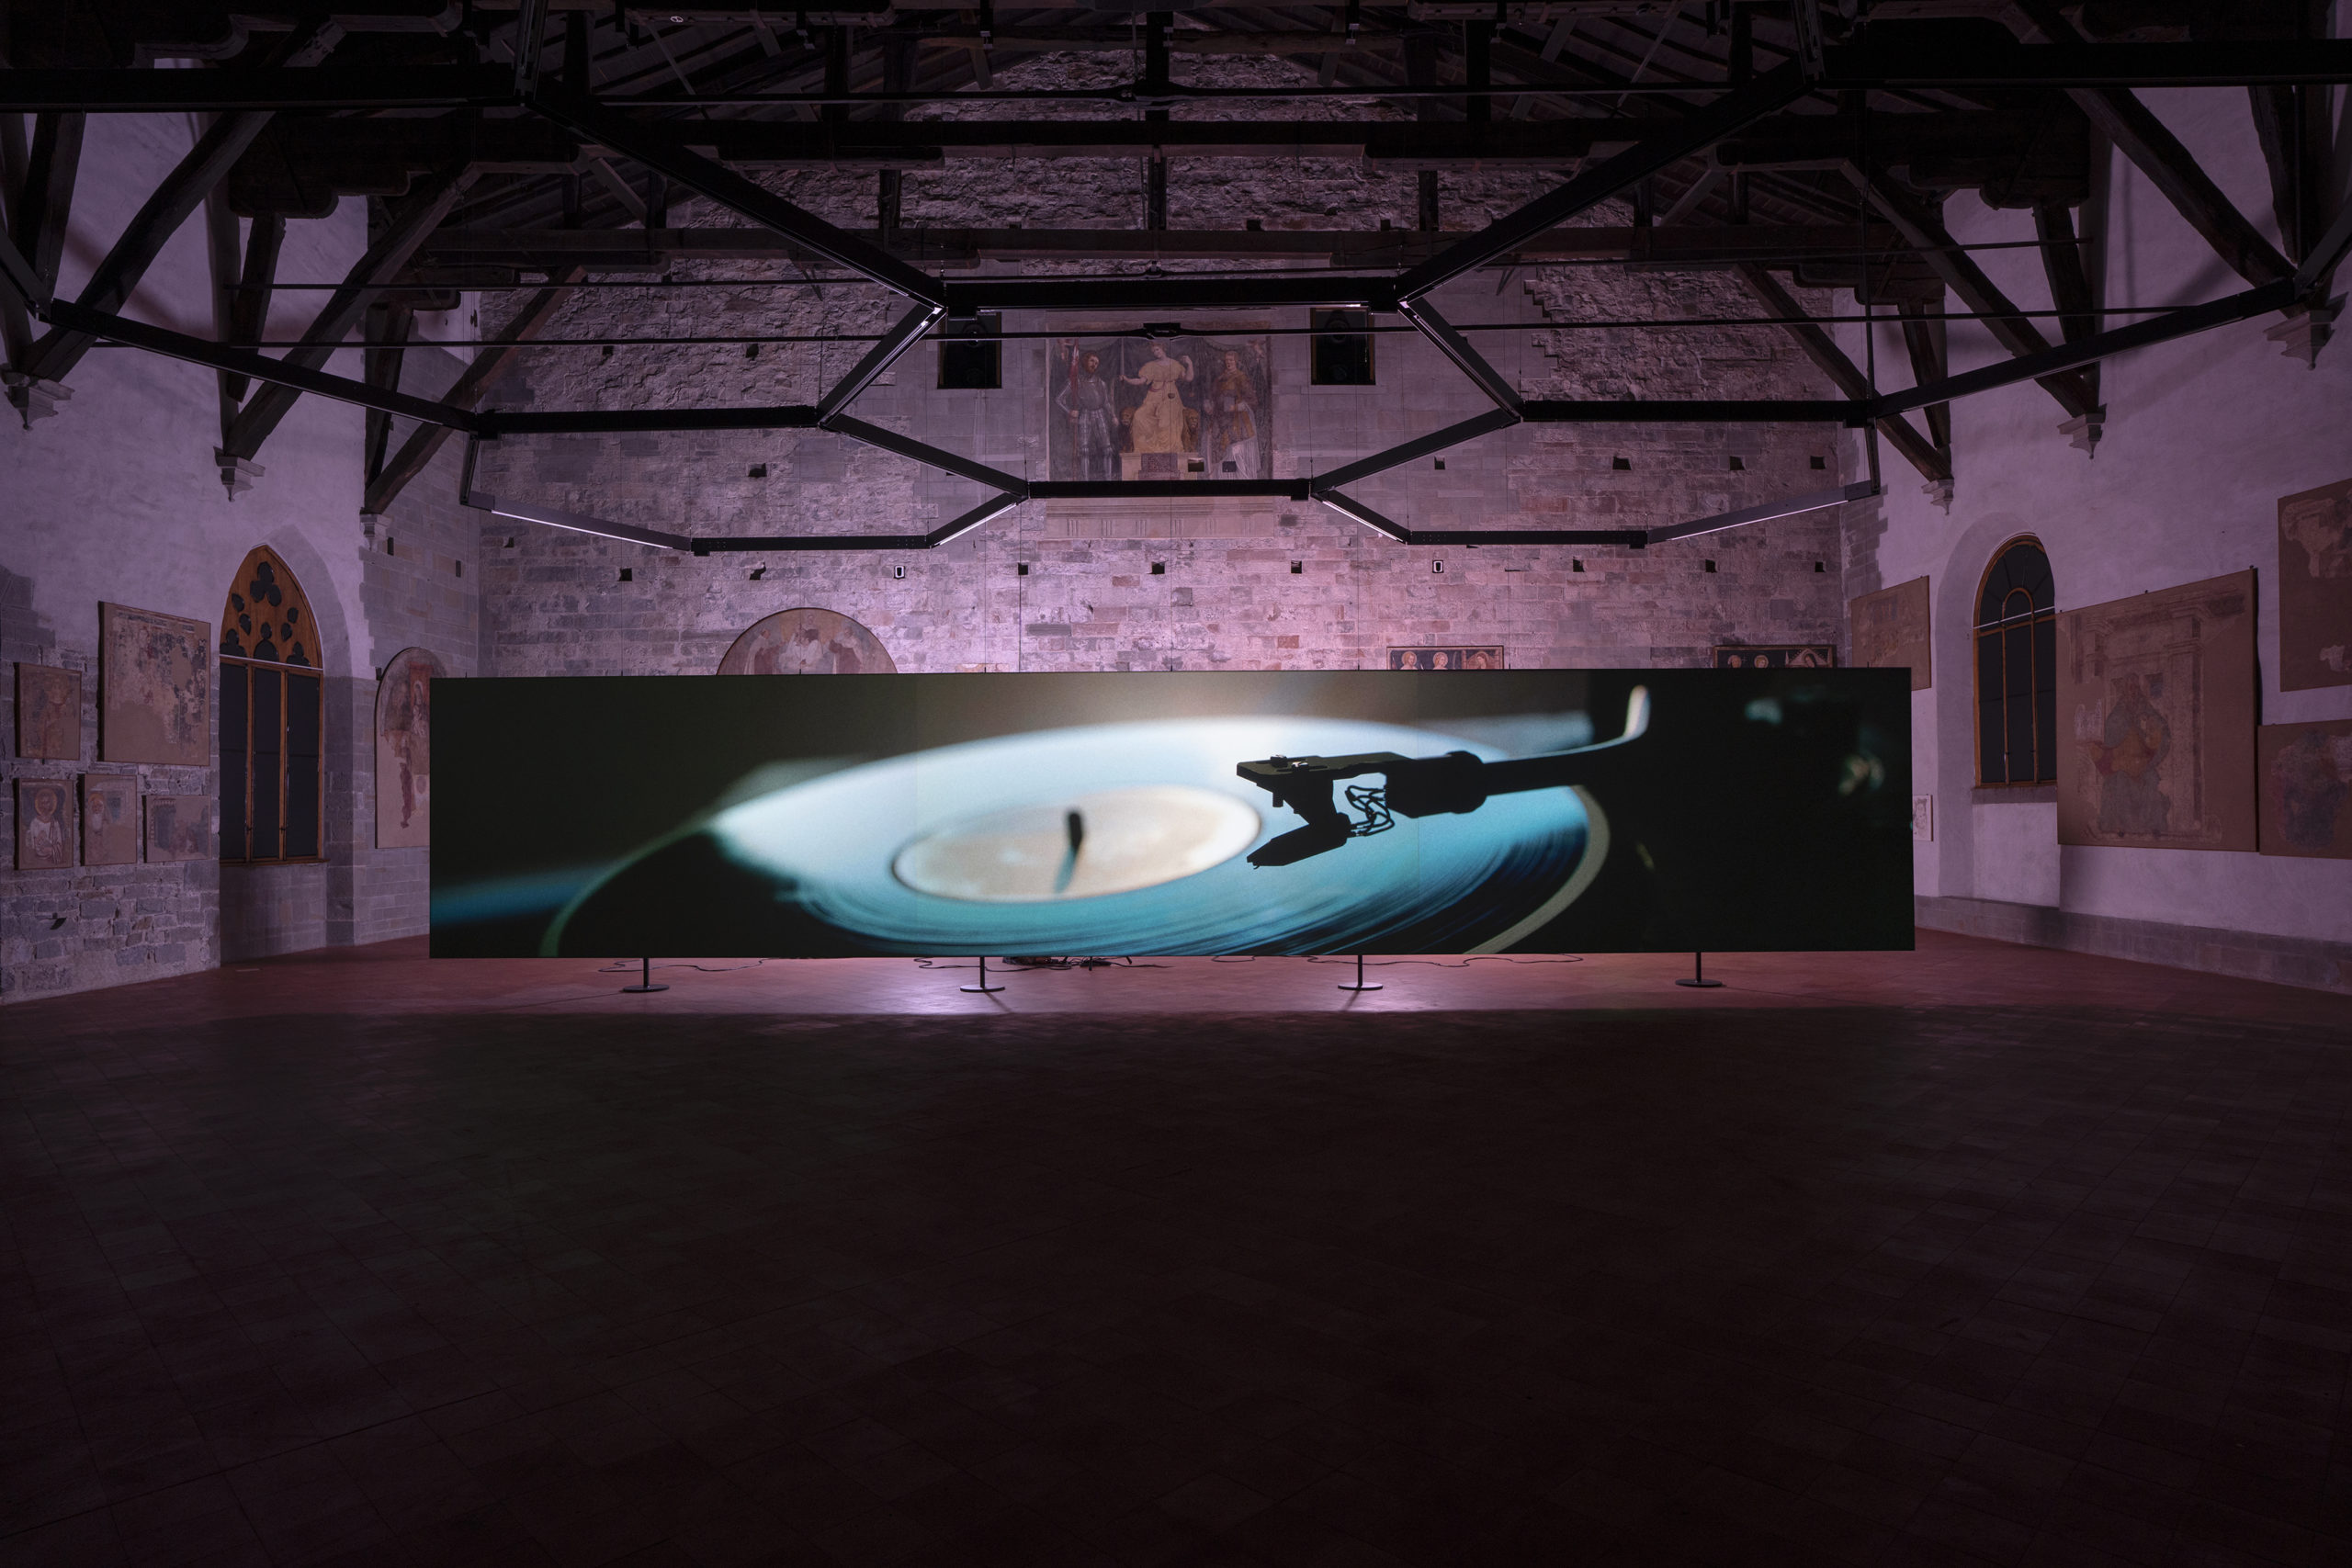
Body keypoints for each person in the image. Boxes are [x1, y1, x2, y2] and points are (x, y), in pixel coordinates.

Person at [1057, 347, 1118, 480]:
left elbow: (1106, 402)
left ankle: (1108, 479)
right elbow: (1059, 399)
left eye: (1096, 363)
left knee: (1107, 450)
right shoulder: (1076, 381)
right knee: (1084, 450)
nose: (1094, 365)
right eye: (1092, 361)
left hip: (1100, 415)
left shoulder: (1101, 383)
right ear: (1085, 361)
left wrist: (1113, 416)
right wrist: (1070, 411)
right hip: (1085, 415)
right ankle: (1085, 481)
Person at [1122, 342, 1193, 456]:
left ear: (1163, 348)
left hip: (1170, 397)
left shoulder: (1175, 364)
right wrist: (1127, 380)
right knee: (1139, 415)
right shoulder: (1150, 366)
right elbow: (1141, 381)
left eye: (1157, 349)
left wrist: (1190, 364)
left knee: (1165, 419)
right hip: (1153, 397)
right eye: (1154, 351)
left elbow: (1188, 378)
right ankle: (1146, 448)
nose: (1156, 353)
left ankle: (1166, 450)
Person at [1204, 349, 1261, 477]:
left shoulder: (1241, 377)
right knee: (1217, 445)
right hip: (1220, 417)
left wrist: (1236, 407)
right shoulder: (1220, 378)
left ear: (1236, 361)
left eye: (1231, 360)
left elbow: (1252, 399)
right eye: (1226, 360)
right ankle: (1223, 477)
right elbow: (1213, 397)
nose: (1228, 362)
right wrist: (1210, 406)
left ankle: (1238, 477)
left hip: (1237, 419)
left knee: (1235, 448)